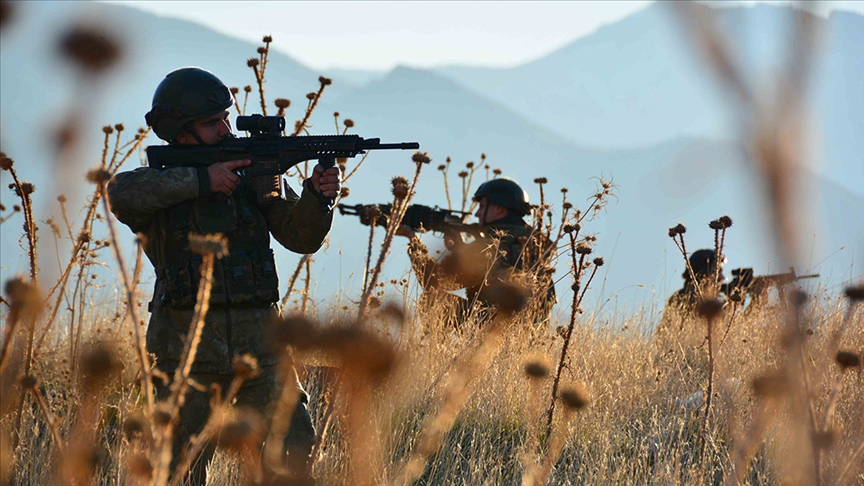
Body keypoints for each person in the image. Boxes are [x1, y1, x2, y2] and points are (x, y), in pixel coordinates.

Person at [107, 67, 341, 485]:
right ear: (180, 132)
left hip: (263, 348)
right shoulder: (161, 182)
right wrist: (202, 181)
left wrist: (318, 199)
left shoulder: (253, 173)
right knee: (176, 470)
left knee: (294, 456)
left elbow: (299, 237)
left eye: (227, 119)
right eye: (212, 124)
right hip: (185, 354)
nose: (226, 129)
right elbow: (121, 193)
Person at [395, 178, 556, 326]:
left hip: (496, 329)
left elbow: (433, 281)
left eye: (483, 206)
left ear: (499, 209)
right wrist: (462, 250)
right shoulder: (532, 244)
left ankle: (437, 355)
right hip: (532, 335)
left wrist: (412, 239)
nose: (477, 213)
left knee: (433, 300)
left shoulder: (490, 244)